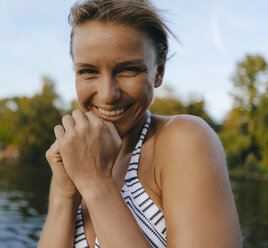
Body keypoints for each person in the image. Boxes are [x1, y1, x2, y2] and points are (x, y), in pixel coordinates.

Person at [38, 0, 241, 247]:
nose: (107, 94)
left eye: (128, 70)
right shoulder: (74, 157)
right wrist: (65, 194)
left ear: (159, 71)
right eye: (88, 71)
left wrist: (97, 184)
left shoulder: (185, 140)